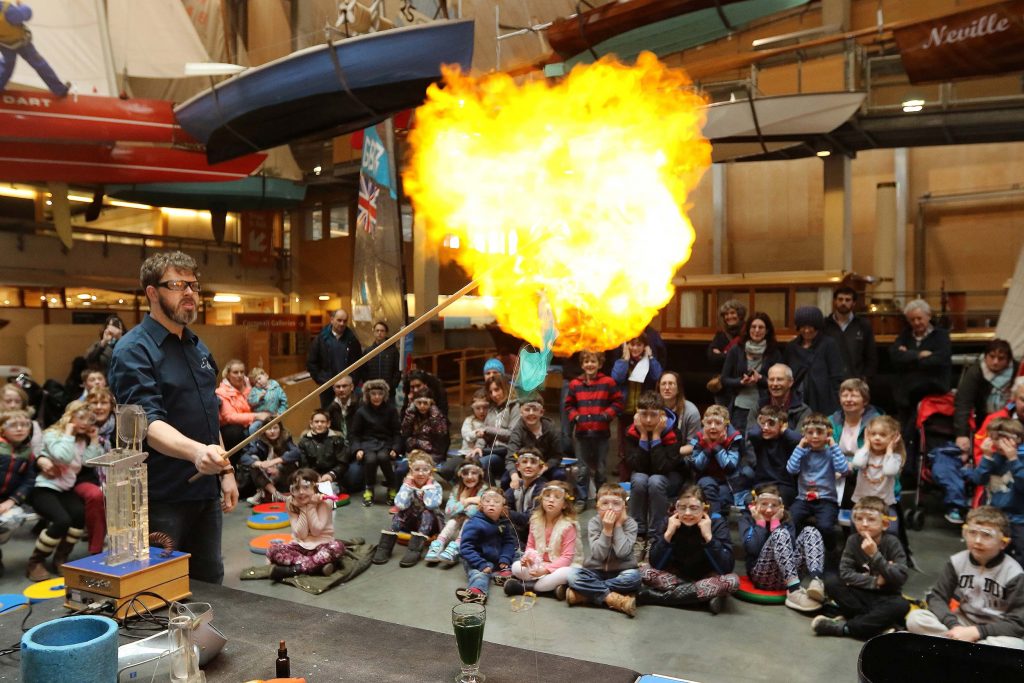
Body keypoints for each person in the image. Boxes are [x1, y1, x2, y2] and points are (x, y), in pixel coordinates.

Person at [109, 250, 238, 585]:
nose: (190, 294)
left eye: (194, 285)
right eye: (178, 285)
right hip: (162, 498)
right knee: (159, 592)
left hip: (204, 493)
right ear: (152, 292)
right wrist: (197, 453)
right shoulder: (133, 351)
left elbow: (210, 414)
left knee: (211, 582)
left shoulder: (197, 346)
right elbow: (148, 425)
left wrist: (225, 469)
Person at [906, 506, 1024, 649]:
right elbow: (937, 597)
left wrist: (977, 632)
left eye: (987, 535)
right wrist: (954, 625)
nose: (977, 540)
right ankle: (970, 648)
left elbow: (1018, 622)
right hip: (961, 622)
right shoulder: (956, 561)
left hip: (994, 631)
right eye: (972, 532)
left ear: (1003, 543)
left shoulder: (1014, 573)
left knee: (1016, 646)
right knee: (915, 619)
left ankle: (955, 645)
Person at [814, 496, 909, 638]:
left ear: (884, 524)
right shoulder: (853, 540)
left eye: (871, 519)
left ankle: (846, 628)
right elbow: (845, 573)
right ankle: (876, 625)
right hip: (860, 592)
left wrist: (875, 555)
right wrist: (876, 581)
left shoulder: (892, 543)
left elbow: (900, 578)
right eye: (859, 519)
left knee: (901, 605)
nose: (864, 524)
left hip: (886, 595)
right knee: (832, 582)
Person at [28, 400, 102, 581]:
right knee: (62, 520)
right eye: (81, 417)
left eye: (89, 419)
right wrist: (68, 433)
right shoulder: (54, 434)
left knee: (78, 516)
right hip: (45, 487)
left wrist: (93, 440)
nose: (86, 422)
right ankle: (35, 561)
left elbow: (89, 462)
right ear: (70, 416)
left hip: (65, 489)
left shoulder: (81, 439)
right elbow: (63, 456)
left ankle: (61, 557)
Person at [639, 486, 740, 614]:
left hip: (705, 578)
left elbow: (726, 568)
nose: (687, 513)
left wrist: (709, 538)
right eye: (682, 507)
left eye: (693, 508)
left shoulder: (717, 522)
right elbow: (656, 564)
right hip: (676, 578)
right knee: (643, 570)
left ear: (705, 508)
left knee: (732, 581)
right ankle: (701, 598)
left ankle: (657, 597)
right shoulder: (669, 521)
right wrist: (668, 535)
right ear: (676, 507)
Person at [739, 484, 825, 612]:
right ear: (755, 505)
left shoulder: (786, 519)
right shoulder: (746, 519)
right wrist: (760, 523)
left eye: (774, 505)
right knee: (780, 533)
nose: (769, 510)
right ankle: (794, 591)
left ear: (780, 507)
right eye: (764, 504)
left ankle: (816, 580)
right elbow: (752, 549)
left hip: (787, 575)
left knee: (810, 531)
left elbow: (788, 549)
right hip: (762, 576)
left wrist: (776, 523)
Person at [889, 298, 953, 471]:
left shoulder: (941, 335)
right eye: (912, 320)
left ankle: (916, 469)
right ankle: (905, 468)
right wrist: (919, 355)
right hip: (906, 396)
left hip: (931, 393)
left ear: (928, 316)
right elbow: (894, 356)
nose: (916, 323)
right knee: (903, 432)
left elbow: (939, 360)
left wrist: (908, 356)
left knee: (915, 434)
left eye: (919, 318)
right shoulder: (904, 335)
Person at [564, 483, 642, 618]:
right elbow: (599, 555)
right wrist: (606, 529)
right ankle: (614, 598)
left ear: (624, 507)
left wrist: (617, 526)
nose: (610, 508)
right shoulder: (594, 523)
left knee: (635, 578)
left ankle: (584, 595)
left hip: (621, 572)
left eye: (616, 504)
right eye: (605, 503)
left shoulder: (630, 524)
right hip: (595, 571)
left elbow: (622, 552)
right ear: (597, 508)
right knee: (573, 576)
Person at [625, 391, 684, 549]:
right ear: (637, 416)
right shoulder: (631, 432)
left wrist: (656, 436)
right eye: (644, 415)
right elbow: (636, 466)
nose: (649, 420)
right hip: (644, 475)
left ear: (662, 415)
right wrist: (644, 436)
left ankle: (655, 535)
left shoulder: (674, 433)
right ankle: (638, 534)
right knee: (639, 479)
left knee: (655, 481)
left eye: (653, 414)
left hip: (668, 478)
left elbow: (663, 467)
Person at [265, 468, 346, 582]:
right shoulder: (291, 502)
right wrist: (303, 508)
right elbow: (301, 535)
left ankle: (295, 569)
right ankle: (316, 567)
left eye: (306, 487)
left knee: (337, 547)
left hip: (321, 545)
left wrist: (311, 506)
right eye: (297, 488)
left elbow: (316, 531)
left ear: (315, 487)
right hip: (301, 546)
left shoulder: (325, 501)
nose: (301, 492)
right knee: (272, 550)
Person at [565, 350, 623, 508]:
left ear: (600, 364)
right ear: (582, 364)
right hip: (582, 433)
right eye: (586, 362)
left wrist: (606, 415)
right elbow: (568, 405)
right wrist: (576, 416)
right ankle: (582, 498)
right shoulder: (575, 384)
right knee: (582, 469)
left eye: (593, 361)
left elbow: (618, 402)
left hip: (602, 433)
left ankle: (601, 496)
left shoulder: (608, 382)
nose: (590, 365)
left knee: (601, 468)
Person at [786, 412, 850, 555]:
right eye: (810, 432)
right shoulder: (802, 452)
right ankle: (796, 550)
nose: (815, 436)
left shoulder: (830, 453)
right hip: (803, 498)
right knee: (790, 520)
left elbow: (844, 469)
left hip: (826, 499)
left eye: (819, 432)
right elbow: (791, 469)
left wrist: (833, 445)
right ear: (804, 434)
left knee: (825, 526)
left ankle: (832, 550)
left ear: (827, 434)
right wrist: (800, 447)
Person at [505, 481, 582, 597]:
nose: (551, 500)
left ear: (565, 504)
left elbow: (567, 557)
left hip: (562, 566)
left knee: (565, 574)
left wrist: (546, 570)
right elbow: (530, 546)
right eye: (547, 496)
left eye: (557, 497)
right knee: (516, 567)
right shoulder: (535, 520)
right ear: (542, 500)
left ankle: (526, 587)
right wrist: (528, 559)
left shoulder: (569, 525)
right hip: (541, 563)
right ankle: (552, 589)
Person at [372, 450, 444, 568]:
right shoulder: (408, 484)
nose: (421, 473)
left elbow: (431, 505)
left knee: (427, 513)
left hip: (430, 525)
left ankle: (414, 550)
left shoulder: (435, 487)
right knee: (400, 514)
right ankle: (384, 547)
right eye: (417, 469)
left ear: (430, 471)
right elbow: (400, 505)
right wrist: (407, 486)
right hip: (412, 522)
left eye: (425, 470)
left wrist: (427, 488)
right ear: (411, 470)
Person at [968, 417, 1024, 562]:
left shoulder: (1021, 458)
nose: (997, 443)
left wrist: (1013, 459)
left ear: (1017, 440)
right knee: (989, 554)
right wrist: (986, 457)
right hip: (994, 517)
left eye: (1002, 438)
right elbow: (978, 479)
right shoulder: (994, 457)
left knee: (1018, 556)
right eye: (993, 437)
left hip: (1018, 519)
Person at [612, 332, 663, 480]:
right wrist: (625, 359)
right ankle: (625, 482)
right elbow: (617, 377)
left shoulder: (649, 361)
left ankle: (641, 477)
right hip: (625, 412)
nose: (635, 348)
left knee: (642, 447)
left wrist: (651, 357)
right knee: (623, 451)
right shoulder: (621, 361)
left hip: (644, 414)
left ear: (645, 346)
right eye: (632, 344)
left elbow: (657, 376)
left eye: (639, 345)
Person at [721, 312, 782, 435]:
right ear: (748, 329)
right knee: (739, 442)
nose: (757, 330)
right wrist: (740, 382)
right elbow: (724, 379)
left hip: (765, 407)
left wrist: (760, 379)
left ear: (767, 330)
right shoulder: (736, 350)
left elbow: (780, 382)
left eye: (761, 327)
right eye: (753, 327)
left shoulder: (774, 352)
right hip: (741, 405)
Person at [457, 488, 517, 604]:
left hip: (498, 558)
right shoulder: (474, 523)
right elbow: (465, 548)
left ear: (503, 506)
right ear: (481, 505)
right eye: (487, 501)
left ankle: (503, 574)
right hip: (479, 559)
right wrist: (480, 564)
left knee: (519, 554)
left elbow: (508, 542)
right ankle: (477, 592)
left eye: (496, 501)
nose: (491, 504)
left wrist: (505, 558)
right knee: (479, 575)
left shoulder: (503, 522)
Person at [954, 339, 1015, 454]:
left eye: (1001, 358)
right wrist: (961, 434)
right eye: (992, 357)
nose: (995, 362)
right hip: (983, 421)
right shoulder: (976, 372)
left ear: (1008, 361)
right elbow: (963, 403)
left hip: (1011, 421)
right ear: (985, 356)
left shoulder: (1016, 371)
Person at [683, 404, 742, 517]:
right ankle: (715, 521)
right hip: (704, 478)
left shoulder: (734, 438)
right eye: (709, 423)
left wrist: (716, 447)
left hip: (727, 480)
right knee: (707, 484)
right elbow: (697, 467)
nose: (713, 427)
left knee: (723, 495)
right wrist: (709, 448)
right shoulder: (699, 437)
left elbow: (730, 467)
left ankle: (718, 525)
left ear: (726, 425)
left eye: (718, 423)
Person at [0, 1, 70, 96]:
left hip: (5, 45)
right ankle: (60, 90)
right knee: (40, 64)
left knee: (6, 67)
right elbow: (27, 14)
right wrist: (21, 5)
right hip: (22, 43)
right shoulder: (7, 10)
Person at [350, 379, 402, 507]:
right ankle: (369, 488)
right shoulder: (361, 412)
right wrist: (358, 449)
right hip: (367, 444)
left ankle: (392, 486)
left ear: (385, 395)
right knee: (371, 460)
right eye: (373, 394)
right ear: (368, 395)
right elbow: (355, 434)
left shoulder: (391, 410)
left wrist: (395, 448)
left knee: (383, 457)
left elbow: (396, 432)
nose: (377, 397)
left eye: (380, 394)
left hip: (386, 443)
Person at [76, 387, 115, 556]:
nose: (99, 407)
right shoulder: (81, 427)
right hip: (85, 477)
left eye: (103, 402)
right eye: (94, 403)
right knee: (97, 495)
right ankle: (96, 551)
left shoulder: (120, 427)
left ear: (111, 406)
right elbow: (85, 464)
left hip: (115, 475)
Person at [784, 306, 843, 416]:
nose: (806, 330)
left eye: (811, 326)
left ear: (818, 326)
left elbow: (836, 376)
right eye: (803, 326)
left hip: (823, 399)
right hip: (797, 399)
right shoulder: (791, 347)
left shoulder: (829, 344)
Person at [425, 462, 486, 568]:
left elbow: (474, 512)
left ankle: (457, 546)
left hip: (479, 526)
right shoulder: (457, 489)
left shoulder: (484, 489)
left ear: (480, 474)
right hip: (461, 517)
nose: (470, 477)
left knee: (468, 519)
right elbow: (449, 510)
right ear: (460, 474)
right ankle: (439, 543)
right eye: (465, 473)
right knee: (453, 520)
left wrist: (465, 501)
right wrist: (466, 501)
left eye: (474, 473)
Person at [0, 410, 37, 577]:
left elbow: (28, 480)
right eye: (13, 425)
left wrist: (11, 501)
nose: (20, 429)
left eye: (24, 425)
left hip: (7, 500)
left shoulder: (27, 452)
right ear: (2, 429)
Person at [850, 416, 905, 520]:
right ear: (867, 435)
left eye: (883, 435)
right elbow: (857, 463)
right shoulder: (863, 453)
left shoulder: (895, 458)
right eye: (873, 434)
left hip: (884, 504)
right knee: (856, 526)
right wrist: (866, 444)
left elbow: (889, 471)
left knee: (889, 529)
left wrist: (890, 450)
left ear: (894, 438)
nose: (877, 438)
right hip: (862, 502)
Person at [745, 406, 801, 506]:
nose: (765, 427)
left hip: (784, 485)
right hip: (762, 484)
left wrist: (784, 430)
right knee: (749, 501)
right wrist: (759, 422)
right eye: (763, 423)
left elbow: (798, 440)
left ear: (782, 425)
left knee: (775, 502)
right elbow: (752, 434)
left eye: (771, 423)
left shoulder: (786, 440)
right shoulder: (759, 440)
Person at [307, 309, 362, 408]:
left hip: (347, 387)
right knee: (328, 416)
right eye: (339, 320)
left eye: (345, 321)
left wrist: (352, 381)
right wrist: (321, 379)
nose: (342, 323)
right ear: (332, 320)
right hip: (327, 386)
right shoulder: (321, 339)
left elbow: (358, 363)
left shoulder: (352, 340)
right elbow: (312, 362)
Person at [215, 359, 272, 456]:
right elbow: (229, 417)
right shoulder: (221, 391)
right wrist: (256, 416)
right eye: (235, 372)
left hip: (251, 422)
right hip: (232, 428)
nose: (239, 375)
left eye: (242, 372)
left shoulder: (251, 386)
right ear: (228, 374)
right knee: (235, 432)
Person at [822, 287, 877, 381]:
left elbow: (871, 355)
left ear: (854, 303)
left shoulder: (863, 324)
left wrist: (865, 377)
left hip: (856, 381)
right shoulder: (824, 324)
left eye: (847, 300)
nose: (843, 303)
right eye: (840, 299)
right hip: (829, 381)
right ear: (835, 301)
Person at [506, 393, 562, 484]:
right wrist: (514, 476)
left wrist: (546, 466)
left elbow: (557, 456)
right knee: (505, 480)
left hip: (543, 467)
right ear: (521, 412)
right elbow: (511, 457)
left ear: (541, 412)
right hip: (524, 467)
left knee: (559, 475)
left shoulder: (551, 429)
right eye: (527, 410)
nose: (531, 413)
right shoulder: (517, 430)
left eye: (535, 409)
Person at [240, 422, 300, 506]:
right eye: (269, 428)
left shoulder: (286, 439)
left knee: (288, 459)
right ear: (264, 431)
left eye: (275, 428)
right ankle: (276, 494)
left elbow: (297, 452)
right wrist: (260, 464)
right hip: (267, 476)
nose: (272, 431)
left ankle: (263, 493)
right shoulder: (259, 442)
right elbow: (244, 457)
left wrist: (275, 463)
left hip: (284, 477)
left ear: (280, 429)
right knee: (253, 460)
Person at [504, 448, 549, 545]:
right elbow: (502, 501)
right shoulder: (517, 485)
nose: (528, 465)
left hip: (537, 536)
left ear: (540, 468)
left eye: (533, 462)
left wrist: (505, 511)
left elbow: (530, 518)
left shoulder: (542, 488)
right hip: (521, 532)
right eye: (524, 462)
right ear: (518, 466)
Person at [707, 299, 747, 406]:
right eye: (726, 314)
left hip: (742, 386)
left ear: (740, 314)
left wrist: (722, 354)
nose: (729, 316)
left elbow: (745, 358)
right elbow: (711, 357)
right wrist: (730, 356)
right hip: (722, 388)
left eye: (732, 313)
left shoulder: (747, 333)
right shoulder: (721, 334)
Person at [297, 409, 348, 488]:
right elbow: (304, 465)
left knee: (329, 489)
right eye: (316, 422)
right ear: (311, 424)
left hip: (333, 478)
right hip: (311, 477)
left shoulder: (337, 439)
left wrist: (331, 474)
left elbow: (342, 463)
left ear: (328, 423)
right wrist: (314, 477)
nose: (319, 424)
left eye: (322, 422)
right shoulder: (304, 441)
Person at [401, 387, 450, 468]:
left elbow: (441, 437)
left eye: (425, 403)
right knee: (401, 470)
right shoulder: (412, 414)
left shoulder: (438, 417)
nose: (422, 406)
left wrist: (434, 414)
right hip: (414, 451)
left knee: (420, 467)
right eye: (419, 403)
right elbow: (405, 432)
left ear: (431, 403)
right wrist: (410, 412)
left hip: (433, 453)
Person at [759, 363, 812, 430]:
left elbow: (800, 439)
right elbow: (749, 437)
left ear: (790, 382)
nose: (775, 384)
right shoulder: (758, 407)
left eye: (779, 379)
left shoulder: (802, 410)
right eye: (771, 379)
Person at [361, 321, 401, 401]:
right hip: (371, 391)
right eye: (377, 330)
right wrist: (368, 385)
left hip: (389, 392)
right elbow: (364, 370)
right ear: (374, 332)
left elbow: (397, 370)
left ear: (386, 333)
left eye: (382, 331)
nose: (379, 333)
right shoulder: (368, 351)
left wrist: (393, 385)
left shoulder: (393, 351)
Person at [658, 371, 700, 442]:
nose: (667, 387)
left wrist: (671, 453)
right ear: (659, 388)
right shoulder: (652, 408)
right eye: (663, 384)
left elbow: (693, 445)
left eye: (671, 384)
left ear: (678, 389)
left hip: (681, 451)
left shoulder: (691, 411)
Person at [1, 383, 43, 453]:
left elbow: (37, 452)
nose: (13, 405)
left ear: (23, 404)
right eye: (8, 401)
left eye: (17, 401)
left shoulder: (33, 425)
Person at [247, 367, 288, 434]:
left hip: (274, 417)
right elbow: (250, 402)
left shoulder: (277, 388)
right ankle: (254, 444)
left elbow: (284, 402)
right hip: (260, 419)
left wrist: (280, 413)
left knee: (282, 432)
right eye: (256, 382)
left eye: (259, 378)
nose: (259, 382)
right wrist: (258, 397)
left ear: (266, 375)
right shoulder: (254, 391)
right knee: (252, 428)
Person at [326, 375, 358, 440]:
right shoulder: (330, 409)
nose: (341, 389)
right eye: (338, 387)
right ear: (334, 389)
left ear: (352, 387)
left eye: (344, 386)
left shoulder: (360, 404)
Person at [459, 390, 490, 456]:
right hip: (466, 453)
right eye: (478, 408)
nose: (481, 411)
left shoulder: (490, 420)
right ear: (473, 408)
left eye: (485, 408)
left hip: (482, 453)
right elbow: (466, 435)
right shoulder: (469, 420)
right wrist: (476, 434)